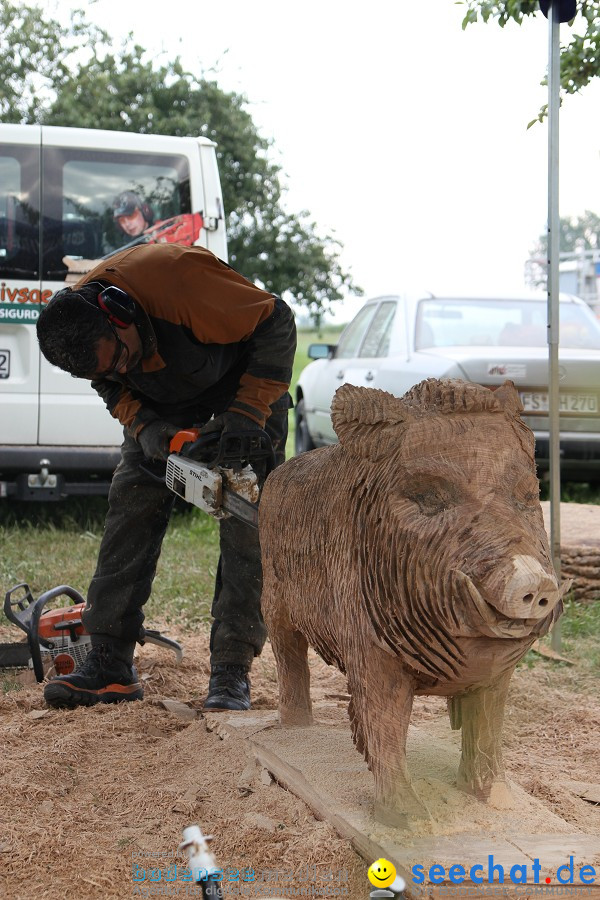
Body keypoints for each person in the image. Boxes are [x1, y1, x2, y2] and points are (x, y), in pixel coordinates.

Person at [36, 242, 296, 712]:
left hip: (245, 387)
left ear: (118, 312)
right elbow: (110, 382)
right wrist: (148, 429)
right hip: (163, 407)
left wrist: (244, 414)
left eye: (119, 356)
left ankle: (231, 672)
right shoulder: (88, 337)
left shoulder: (178, 281)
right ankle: (110, 662)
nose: (121, 368)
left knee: (245, 525)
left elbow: (276, 321)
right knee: (128, 509)